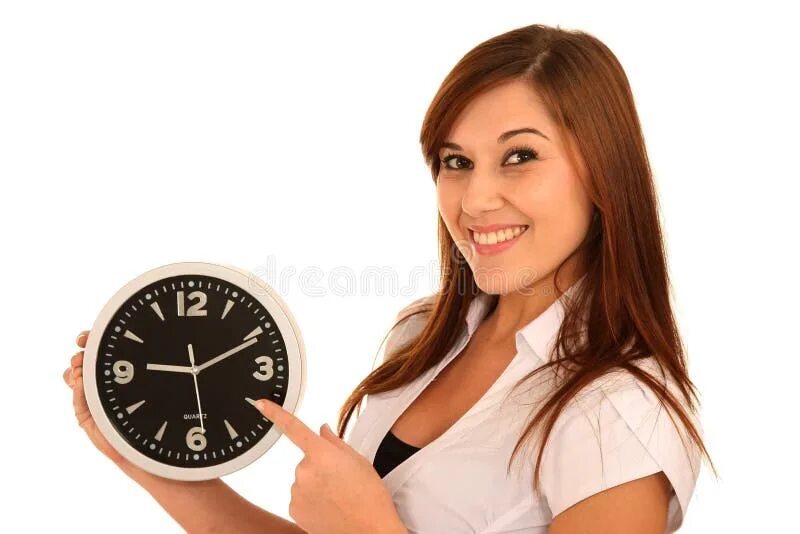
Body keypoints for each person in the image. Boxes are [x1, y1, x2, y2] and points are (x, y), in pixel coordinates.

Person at [63, 23, 716, 533]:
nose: (474, 199)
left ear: (602, 171)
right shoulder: (424, 335)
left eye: (519, 156)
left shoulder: (616, 412)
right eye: (455, 161)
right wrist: (155, 466)